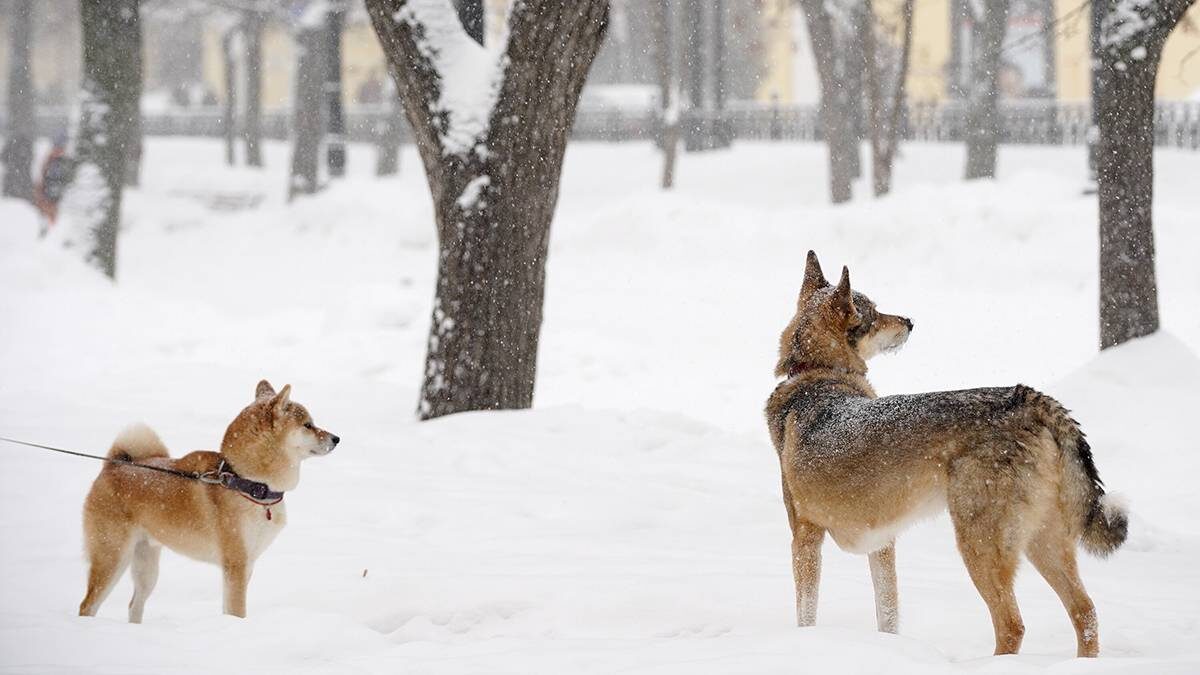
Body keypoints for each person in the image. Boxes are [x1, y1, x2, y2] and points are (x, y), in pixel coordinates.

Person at [34, 132, 74, 232]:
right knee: (54, 218)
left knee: (50, 217)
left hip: (49, 194)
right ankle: (52, 231)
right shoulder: (62, 158)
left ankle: (50, 231)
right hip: (55, 195)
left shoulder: (51, 157)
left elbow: (42, 176)